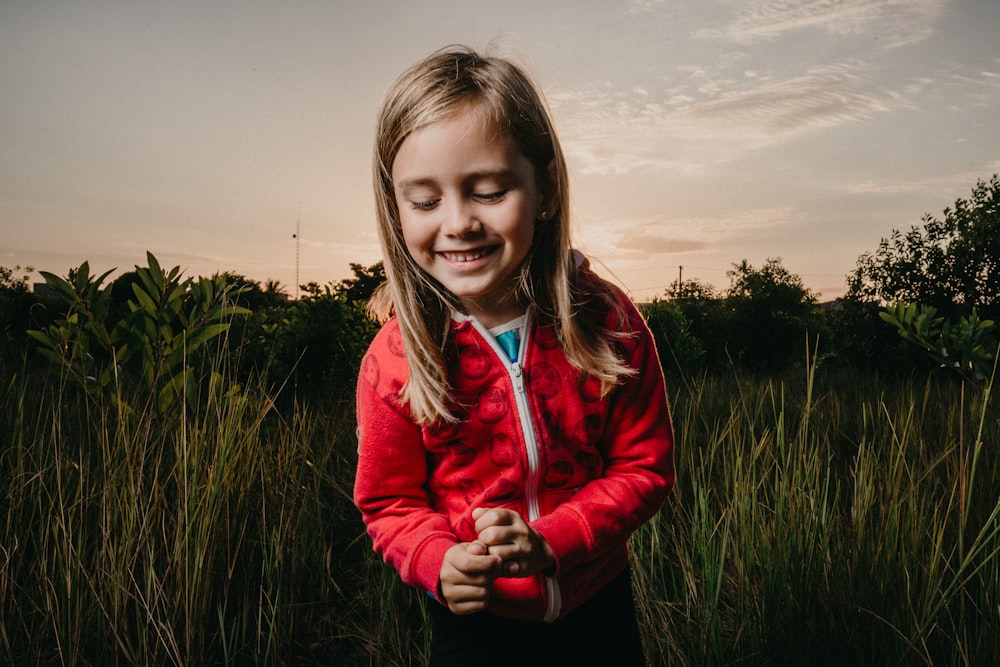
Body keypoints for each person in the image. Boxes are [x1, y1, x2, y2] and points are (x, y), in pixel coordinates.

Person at [353, 44, 675, 666]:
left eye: (490, 190)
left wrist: (551, 542)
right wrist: (437, 559)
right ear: (395, 208)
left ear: (545, 187)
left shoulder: (607, 321)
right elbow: (389, 503)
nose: (458, 222)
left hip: (596, 604)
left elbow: (644, 467)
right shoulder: (395, 356)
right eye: (424, 201)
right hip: (476, 625)